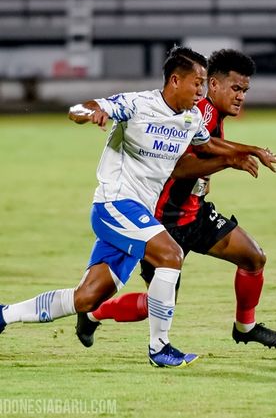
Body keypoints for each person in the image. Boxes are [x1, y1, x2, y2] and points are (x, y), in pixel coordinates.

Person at [0, 46, 256, 368]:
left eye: (204, 83)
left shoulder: (190, 118)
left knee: (87, 297)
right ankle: (159, 348)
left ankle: (4, 314)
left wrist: (247, 151)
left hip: (136, 215)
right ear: (175, 80)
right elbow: (79, 107)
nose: (201, 91)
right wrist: (89, 113)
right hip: (115, 203)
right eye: (198, 82)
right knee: (170, 254)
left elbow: (207, 144)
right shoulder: (137, 104)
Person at [77, 49, 276, 349]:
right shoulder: (197, 112)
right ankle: (94, 313)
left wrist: (241, 153)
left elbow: (208, 150)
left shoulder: (208, 114)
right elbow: (179, 167)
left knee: (253, 257)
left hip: (194, 214)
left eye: (245, 90)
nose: (241, 96)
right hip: (164, 221)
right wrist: (231, 159)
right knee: (156, 305)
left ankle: (245, 327)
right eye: (236, 88)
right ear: (213, 85)